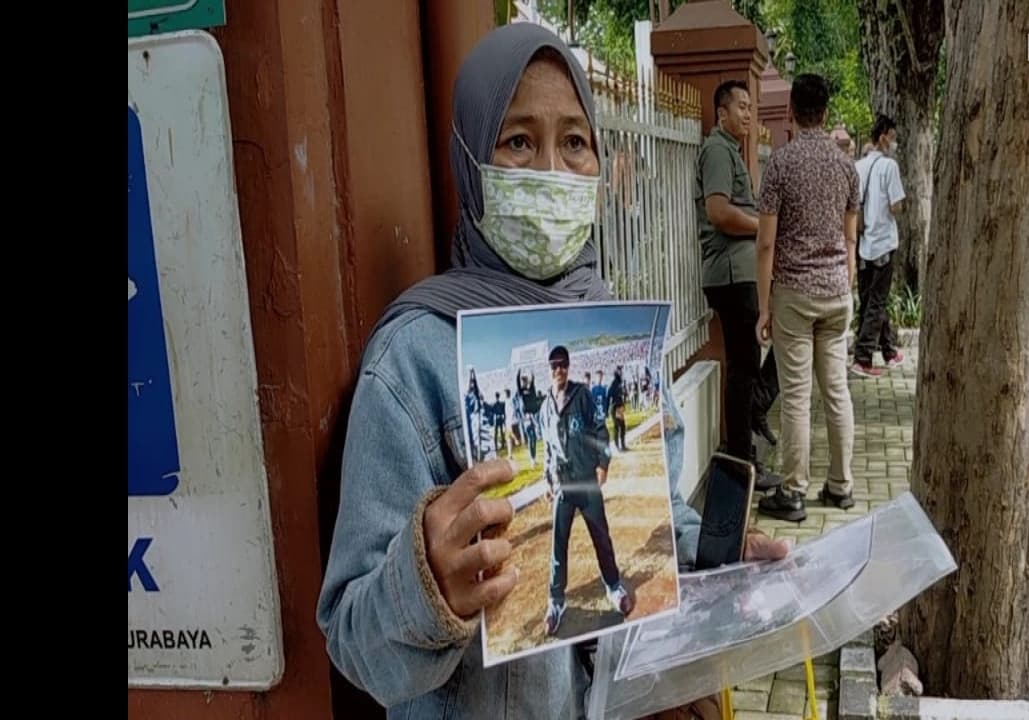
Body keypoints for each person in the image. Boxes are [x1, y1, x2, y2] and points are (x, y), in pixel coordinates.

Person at [316, 24, 787, 719]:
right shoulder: (413, 360)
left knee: (593, 544)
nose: (550, 169)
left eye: (574, 141)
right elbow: (352, 639)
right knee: (565, 552)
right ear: (471, 161)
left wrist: (717, 556)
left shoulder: (618, 331)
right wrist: (426, 588)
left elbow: (658, 524)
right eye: (517, 141)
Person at [753, 74, 859, 523]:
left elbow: (765, 245)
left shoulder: (781, 164)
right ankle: (841, 486)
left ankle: (793, 493)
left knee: (796, 396)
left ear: (791, 112)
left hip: (794, 294)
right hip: (837, 292)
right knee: (836, 390)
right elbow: (851, 239)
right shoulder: (845, 166)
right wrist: (847, 284)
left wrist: (764, 306)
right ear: (827, 113)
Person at [695, 79, 782, 489]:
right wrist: (762, 227)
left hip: (742, 271)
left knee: (748, 365)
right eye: (741, 107)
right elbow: (718, 211)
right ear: (722, 112)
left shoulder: (731, 150)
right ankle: (741, 461)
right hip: (731, 273)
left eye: (751, 107)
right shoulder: (716, 150)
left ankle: (746, 445)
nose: (748, 114)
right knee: (743, 369)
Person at [540, 346, 626, 634]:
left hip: (586, 479)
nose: (559, 370)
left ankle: (614, 586)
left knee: (601, 536)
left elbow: (600, 429)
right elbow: (548, 450)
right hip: (564, 484)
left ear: (569, 366)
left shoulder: (582, 395)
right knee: (558, 545)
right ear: (548, 369)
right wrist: (547, 479)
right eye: (554, 366)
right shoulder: (545, 408)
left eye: (563, 365)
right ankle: (556, 601)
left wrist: (603, 462)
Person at [850, 115, 907, 379]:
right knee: (877, 300)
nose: (894, 143)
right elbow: (896, 205)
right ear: (883, 136)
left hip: (863, 244)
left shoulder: (858, 167)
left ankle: (889, 350)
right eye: (893, 137)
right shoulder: (889, 167)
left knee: (871, 298)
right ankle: (862, 357)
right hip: (884, 241)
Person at [608, 367, 628, 452]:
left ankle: (622, 445)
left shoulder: (620, 383)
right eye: (620, 371)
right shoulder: (614, 383)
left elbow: (622, 394)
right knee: (617, 427)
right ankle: (617, 446)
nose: (621, 373)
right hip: (615, 407)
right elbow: (609, 395)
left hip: (619, 407)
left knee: (622, 426)